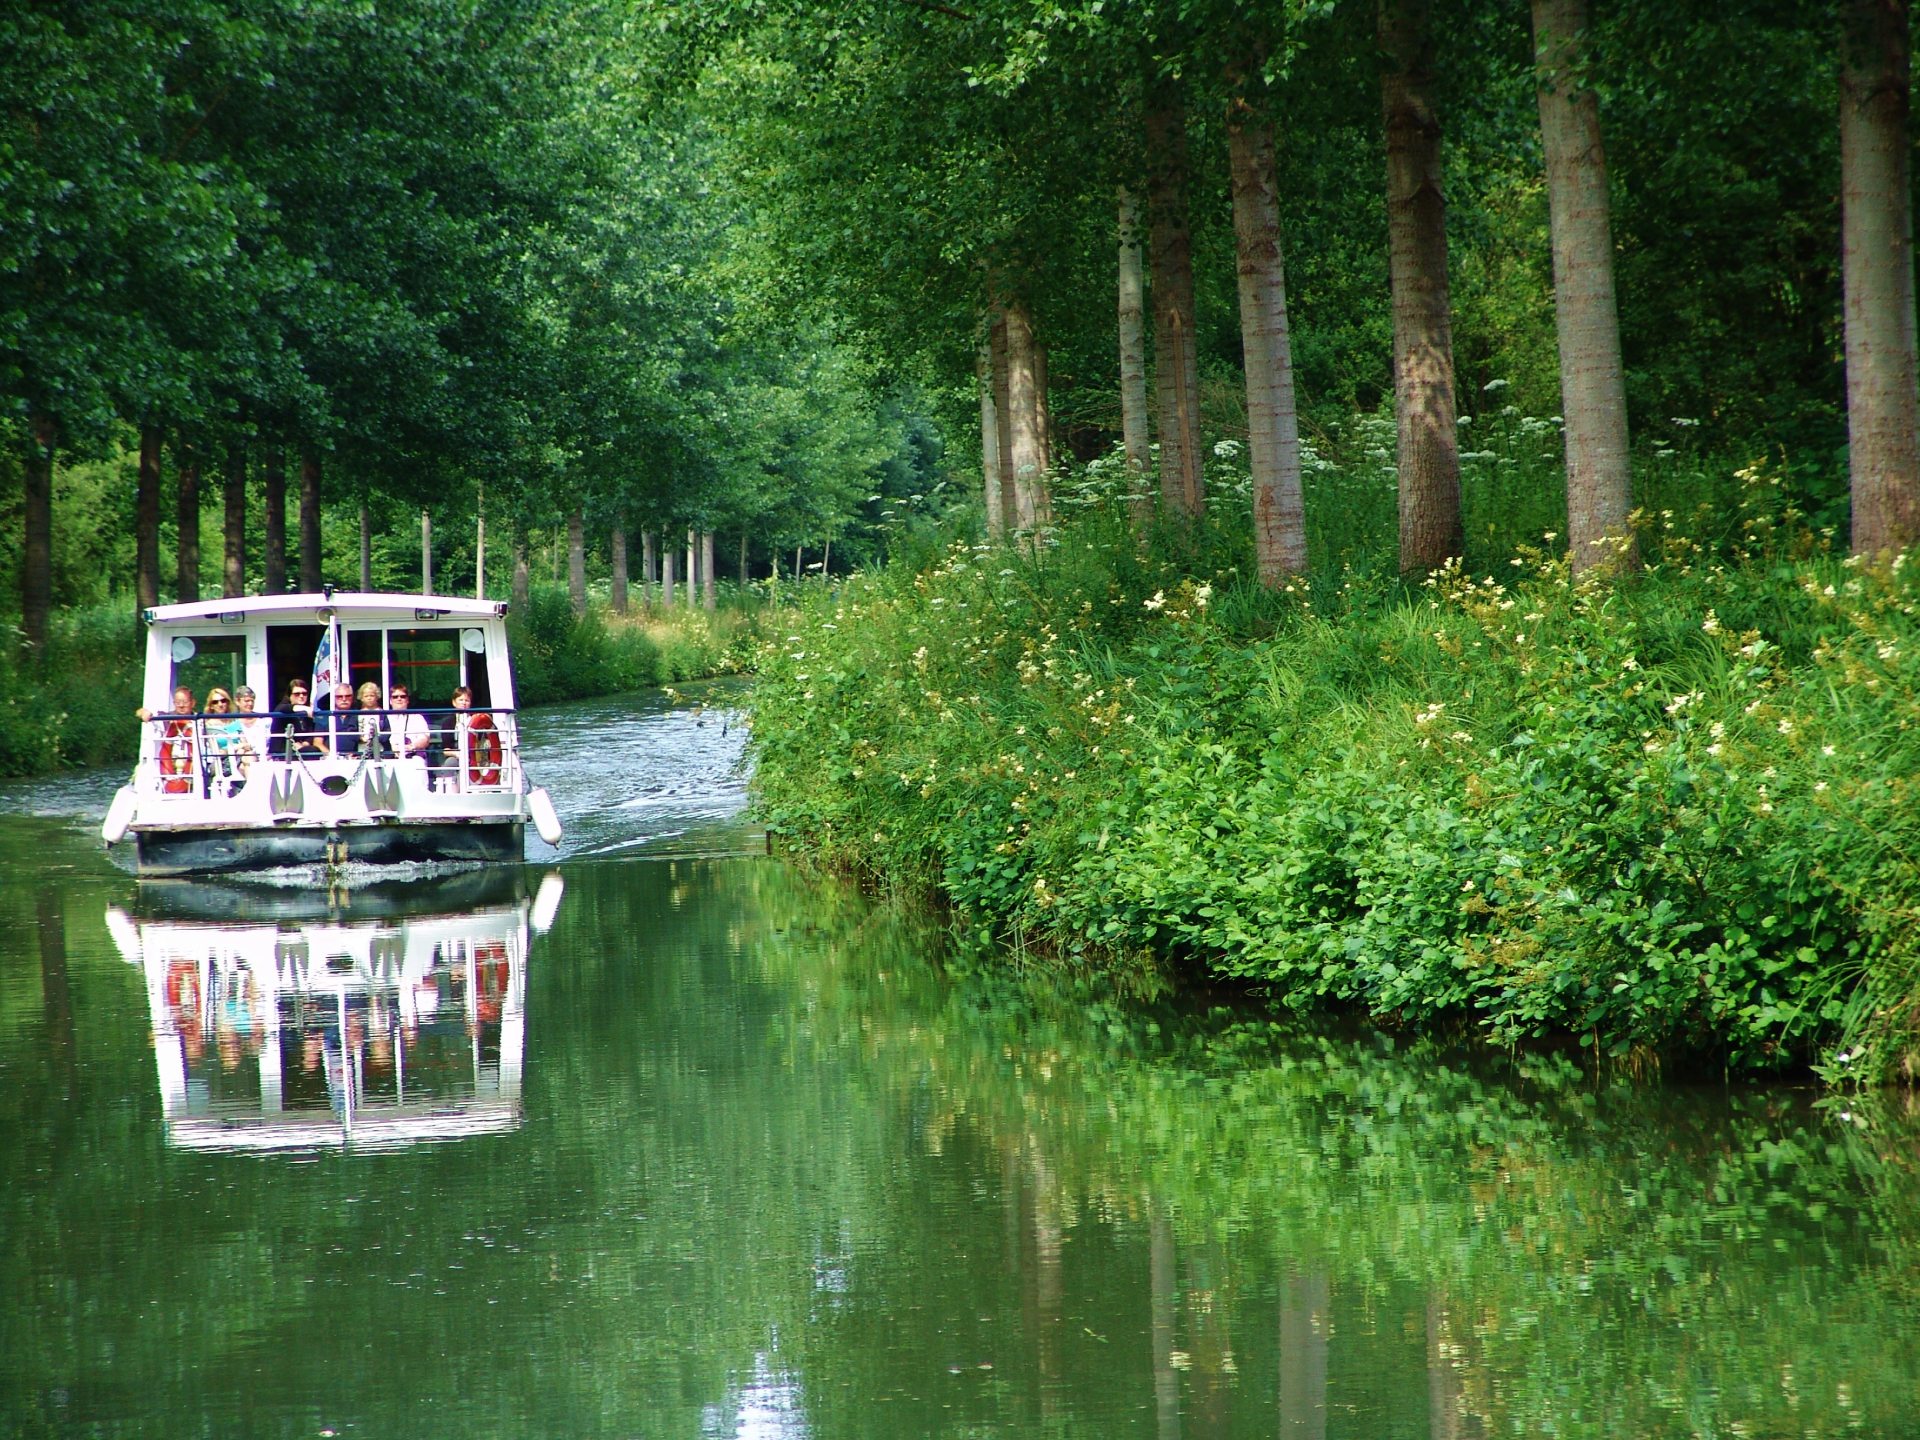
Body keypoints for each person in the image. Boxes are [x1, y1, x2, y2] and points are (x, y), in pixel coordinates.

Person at [138, 686, 197, 794]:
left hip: (194, 767)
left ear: (192, 703)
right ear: (174, 703)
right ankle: (171, 786)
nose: (181, 705)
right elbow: (140, 711)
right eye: (178, 702)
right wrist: (145, 713)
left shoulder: (199, 720)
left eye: (185, 702)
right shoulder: (166, 718)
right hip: (171, 765)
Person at [202, 688, 247, 796]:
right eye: (215, 702)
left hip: (240, 757)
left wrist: (241, 749)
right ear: (211, 705)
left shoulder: (235, 721)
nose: (220, 704)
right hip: (219, 762)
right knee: (244, 766)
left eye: (223, 701)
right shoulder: (208, 725)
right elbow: (218, 752)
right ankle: (253, 794)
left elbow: (245, 743)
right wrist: (237, 748)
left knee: (247, 760)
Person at [270, 680, 325, 759]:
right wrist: (305, 708)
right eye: (297, 694)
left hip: (300, 750)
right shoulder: (282, 708)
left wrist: (305, 744)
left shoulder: (305, 715)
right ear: (289, 695)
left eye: (304, 693)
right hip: (282, 753)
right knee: (313, 751)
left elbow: (310, 733)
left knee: (313, 751)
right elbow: (282, 708)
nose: (301, 696)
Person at [386, 682, 432, 773]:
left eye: (402, 696)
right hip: (390, 757)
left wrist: (411, 747)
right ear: (390, 701)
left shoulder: (417, 717)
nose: (399, 699)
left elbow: (425, 739)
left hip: (413, 757)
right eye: (395, 697)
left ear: (407, 700)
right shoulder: (384, 718)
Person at [354, 681, 388, 759]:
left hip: (380, 749)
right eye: (366, 696)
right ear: (361, 698)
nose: (369, 698)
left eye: (372, 695)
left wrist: (377, 739)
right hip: (362, 749)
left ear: (377, 696)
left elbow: (387, 730)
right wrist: (360, 738)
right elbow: (351, 731)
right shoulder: (357, 714)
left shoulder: (382, 713)